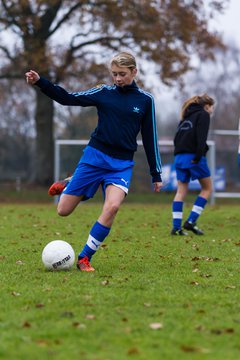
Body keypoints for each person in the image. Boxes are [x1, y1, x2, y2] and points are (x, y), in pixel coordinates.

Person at [25, 52, 163, 271]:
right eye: (115, 74)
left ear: (134, 72)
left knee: (112, 207)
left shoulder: (145, 101)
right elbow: (68, 98)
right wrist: (41, 82)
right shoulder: (103, 92)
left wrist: (156, 173)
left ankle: (84, 257)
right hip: (95, 157)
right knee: (63, 210)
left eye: (123, 74)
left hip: (121, 164)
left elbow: (150, 137)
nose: (118, 79)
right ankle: (72, 182)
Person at [171, 94, 215, 236]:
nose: (212, 110)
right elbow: (201, 137)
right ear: (206, 106)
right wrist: (198, 156)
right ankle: (191, 221)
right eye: (212, 107)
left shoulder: (185, 116)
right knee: (207, 189)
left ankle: (176, 228)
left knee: (181, 191)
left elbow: (176, 139)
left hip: (179, 157)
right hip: (193, 157)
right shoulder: (203, 115)